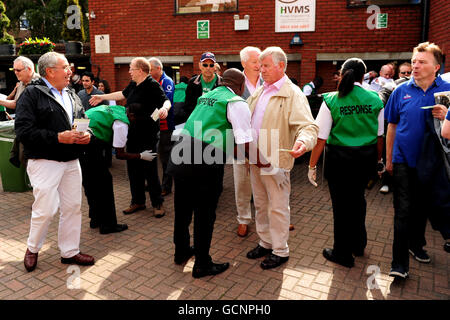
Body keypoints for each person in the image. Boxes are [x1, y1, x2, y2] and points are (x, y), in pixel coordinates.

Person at [167, 68, 257, 278]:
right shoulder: (236, 102)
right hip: (205, 161)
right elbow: (245, 142)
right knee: (204, 214)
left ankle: (181, 252)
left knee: (182, 210)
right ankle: (202, 264)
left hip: (181, 153)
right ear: (241, 86)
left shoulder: (206, 96)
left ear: (221, 81)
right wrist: (261, 162)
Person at [15, 52, 95, 272]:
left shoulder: (72, 94)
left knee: (73, 207)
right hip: (44, 161)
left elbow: (82, 120)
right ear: (50, 71)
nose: (71, 71)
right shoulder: (31, 94)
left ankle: (69, 252)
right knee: (46, 209)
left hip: (71, 161)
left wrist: (87, 134)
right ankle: (32, 248)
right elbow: (23, 131)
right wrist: (57, 137)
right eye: (66, 67)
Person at [307, 58, 384, 268]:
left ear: (342, 73)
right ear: (363, 75)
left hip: (339, 160)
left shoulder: (331, 99)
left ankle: (342, 253)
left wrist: (312, 165)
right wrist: (378, 161)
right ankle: (358, 245)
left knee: (341, 207)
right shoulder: (375, 98)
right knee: (358, 201)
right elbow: (379, 136)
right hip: (365, 158)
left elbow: (320, 138)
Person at [246, 47, 318, 270]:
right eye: (260, 65)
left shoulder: (292, 93)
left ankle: (280, 250)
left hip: (276, 163)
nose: (261, 70)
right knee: (260, 204)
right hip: (256, 160)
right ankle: (265, 242)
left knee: (277, 207)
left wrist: (304, 142)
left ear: (281, 66)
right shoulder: (261, 91)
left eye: (266, 66)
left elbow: (308, 126)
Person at [385, 42, 450, 279]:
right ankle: (399, 264)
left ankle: (416, 245)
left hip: (434, 164)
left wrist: (447, 115)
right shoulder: (400, 91)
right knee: (402, 212)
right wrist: (389, 158)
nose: (415, 65)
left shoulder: (447, 91)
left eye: (422, 61)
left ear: (436, 67)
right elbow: (391, 125)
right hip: (403, 161)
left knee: (423, 208)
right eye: (414, 61)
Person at [90, 57, 171, 217]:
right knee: (133, 168)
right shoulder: (134, 84)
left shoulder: (152, 85)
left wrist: (164, 109)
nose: (129, 71)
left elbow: (166, 101)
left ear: (140, 70)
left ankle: (157, 203)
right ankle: (138, 201)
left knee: (150, 169)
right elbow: (122, 94)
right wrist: (102, 97)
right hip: (133, 133)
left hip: (148, 134)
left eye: (131, 69)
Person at [234, 46, 263, 237]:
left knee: (266, 183)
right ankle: (243, 219)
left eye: (260, 62)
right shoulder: (234, 84)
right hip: (240, 143)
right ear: (244, 63)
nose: (259, 66)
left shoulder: (268, 82)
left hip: (265, 141)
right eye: (255, 62)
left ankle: (270, 218)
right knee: (242, 184)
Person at [378, 62, 413, 194]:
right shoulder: (392, 86)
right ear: (399, 74)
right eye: (403, 73)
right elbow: (382, 96)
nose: (406, 75)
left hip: (408, 128)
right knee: (389, 151)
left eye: (408, 72)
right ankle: (386, 181)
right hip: (393, 125)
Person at [149, 57, 175, 196]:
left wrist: (151, 117)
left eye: (150, 69)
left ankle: (167, 186)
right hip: (154, 125)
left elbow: (165, 103)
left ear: (158, 69)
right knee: (153, 154)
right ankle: (154, 183)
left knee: (165, 157)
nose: (148, 72)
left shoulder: (167, 82)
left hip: (166, 126)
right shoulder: (152, 81)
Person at [182, 52, 222, 122]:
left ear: (215, 67)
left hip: (215, 122)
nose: (208, 68)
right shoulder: (192, 82)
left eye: (211, 65)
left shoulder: (222, 82)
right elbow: (188, 106)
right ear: (200, 66)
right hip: (197, 121)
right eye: (205, 65)